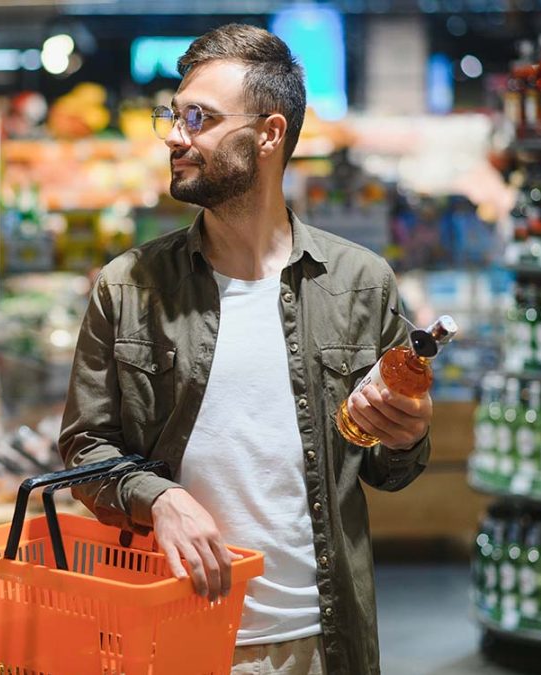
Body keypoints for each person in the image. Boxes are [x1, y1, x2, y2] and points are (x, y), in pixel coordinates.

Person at [58, 23, 433, 675]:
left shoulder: (360, 281)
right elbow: (85, 448)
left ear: (269, 134)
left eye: (199, 118)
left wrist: (405, 434)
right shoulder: (128, 285)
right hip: (175, 634)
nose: (177, 136)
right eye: (174, 117)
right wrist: (158, 496)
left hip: (324, 640)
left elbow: (388, 472)